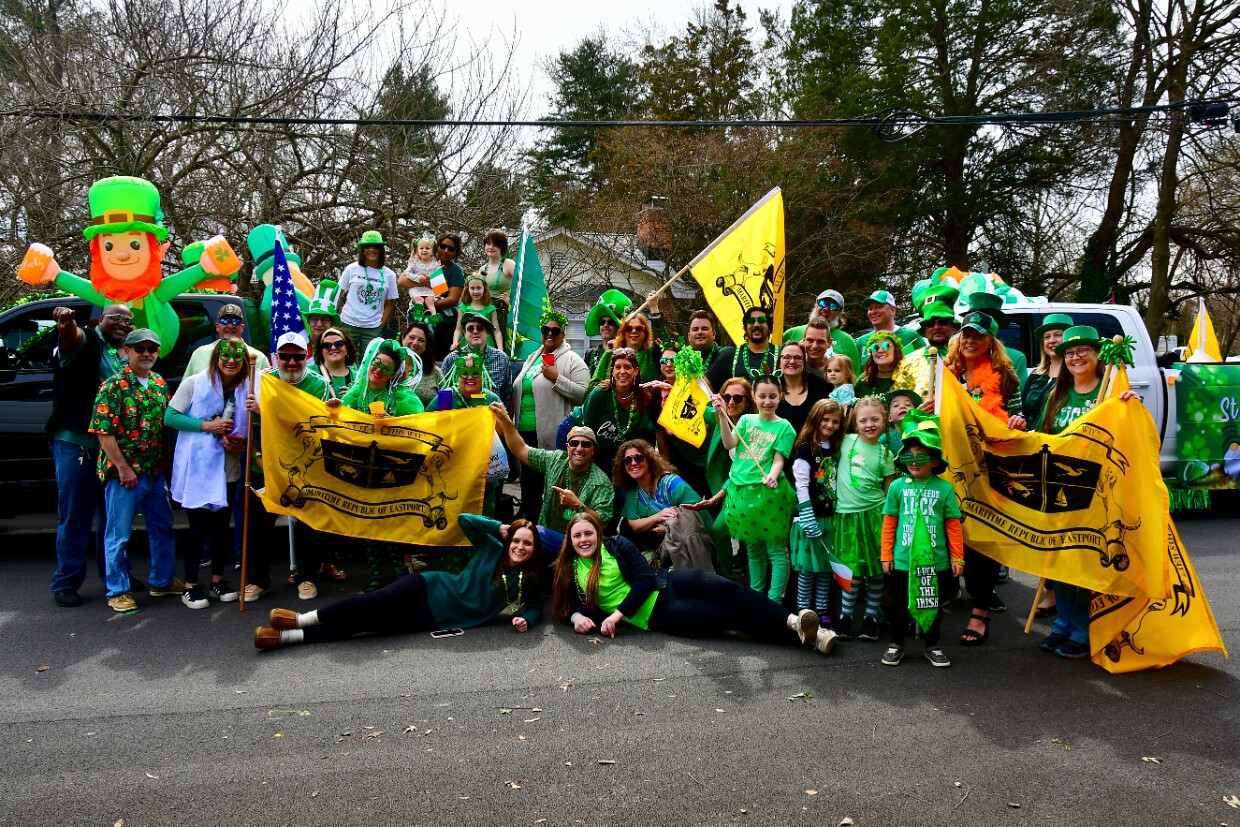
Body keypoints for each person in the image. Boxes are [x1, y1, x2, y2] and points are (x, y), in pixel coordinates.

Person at [552, 512, 837, 654]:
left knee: (730, 589)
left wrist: (615, 616)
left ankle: (794, 622)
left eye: (588, 533)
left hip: (670, 582)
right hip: (662, 614)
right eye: (577, 536)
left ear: (597, 534)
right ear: (570, 540)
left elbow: (644, 580)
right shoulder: (570, 569)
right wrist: (577, 617)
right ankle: (812, 640)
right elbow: (566, 606)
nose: (583, 540)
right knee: (732, 617)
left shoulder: (617, 546)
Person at [254, 516, 544, 649]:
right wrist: (499, 527)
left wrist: (526, 621)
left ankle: (284, 638)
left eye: (527, 544)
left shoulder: (527, 577)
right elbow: (464, 520)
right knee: (372, 602)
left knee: (365, 625)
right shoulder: (492, 548)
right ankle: (301, 619)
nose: (519, 547)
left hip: (434, 616)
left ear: (534, 549)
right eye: (516, 540)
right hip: (431, 584)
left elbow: (534, 607)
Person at [1031, 325, 1139, 659]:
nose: (1076, 357)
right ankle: (1062, 625)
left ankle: (1081, 630)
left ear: (1097, 356)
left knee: (1086, 565)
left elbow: (1130, 434)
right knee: (1061, 563)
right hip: (1062, 492)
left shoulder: (1110, 394)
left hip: (1096, 495)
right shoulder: (1057, 396)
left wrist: (1131, 404)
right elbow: (1042, 438)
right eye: (1070, 353)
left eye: (1083, 351)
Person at [943, 299, 1026, 644]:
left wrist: (1017, 423)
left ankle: (979, 611)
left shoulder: (1006, 380)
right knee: (948, 534)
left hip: (989, 470)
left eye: (978, 336)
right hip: (950, 467)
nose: (970, 341)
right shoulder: (945, 376)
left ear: (991, 341)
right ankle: (947, 592)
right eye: (965, 335)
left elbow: (1020, 422)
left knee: (983, 540)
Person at [89, 328, 182, 612]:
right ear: (127, 351)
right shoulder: (112, 386)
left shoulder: (158, 383)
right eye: (139, 348)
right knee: (118, 535)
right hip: (124, 475)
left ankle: (162, 581)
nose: (146, 354)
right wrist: (123, 467)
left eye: (151, 349)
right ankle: (117, 591)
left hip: (154, 473)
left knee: (163, 528)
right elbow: (103, 432)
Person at [48, 303, 132, 607]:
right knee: (75, 515)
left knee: (113, 517)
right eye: (117, 319)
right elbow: (71, 339)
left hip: (110, 450)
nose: (123, 324)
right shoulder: (86, 340)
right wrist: (66, 323)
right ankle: (66, 581)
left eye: (128, 321)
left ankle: (115, 575)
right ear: (100, 320)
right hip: (77, 444)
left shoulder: (123, 354)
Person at [243, 331, 331, 601]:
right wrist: (258, 455)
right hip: (265, 461)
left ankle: (307, 577)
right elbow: (252, 426)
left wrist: (268, 410)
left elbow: (308, 423)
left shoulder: (318, 385)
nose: (291, 363)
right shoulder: (261, 381)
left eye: (297, 356)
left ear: (307, 357)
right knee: (258, 524)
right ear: (275, 357)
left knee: (308, 522)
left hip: (305, 463)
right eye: (285, 356)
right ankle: (257, 580)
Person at [694, 375, 796, 602]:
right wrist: (721, 415)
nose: (767, 401)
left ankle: (774, 602)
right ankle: (756, 599)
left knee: (776, 551)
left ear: (780, 396)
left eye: (772, 396)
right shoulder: (746, 421)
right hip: (741, 493)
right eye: (762, 396)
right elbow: (729, 443)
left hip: (768, 493)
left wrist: (772, 475)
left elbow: (779, 459)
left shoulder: (785, 427)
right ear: (754, 397)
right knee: (753, 549)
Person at [165, 336, 248, 609]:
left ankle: (217, 580)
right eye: (225, 355)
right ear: (216, 356)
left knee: (222, 528)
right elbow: (171, 417)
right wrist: (206, 426)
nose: (231, 361)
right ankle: (190, 584)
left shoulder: (245, 389)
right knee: (198, 527)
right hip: (199, 466)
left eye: (238, 356)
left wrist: (238, 440)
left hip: (228, 466)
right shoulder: (194, 383)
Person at [880, 412, 964, 668]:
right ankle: (896, 643)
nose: (914, 462)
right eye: (908, 456)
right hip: (903, 560)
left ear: (935, 460)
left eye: (921, 456)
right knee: (898, 605)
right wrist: (887, 554)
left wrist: (957, 556)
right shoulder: (896, 487)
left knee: (932, 602)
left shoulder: (945, 489)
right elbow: (889, 522)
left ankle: (932, 645)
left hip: (935, 561)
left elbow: (952, 525)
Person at [492, 405, 614, 553]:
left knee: (533, 533)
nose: (579, 448)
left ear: (593, 450)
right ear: (567, 447)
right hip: (548, 536)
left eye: (586, 444)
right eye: (574, 443)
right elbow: (521, 449)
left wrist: (577, 505)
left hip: (580, 544)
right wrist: (506, 422)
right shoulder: (556, 460)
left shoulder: (601, 482)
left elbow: (601, 524)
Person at [510, 310, 591, 524]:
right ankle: (531, 534)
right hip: (525, 436)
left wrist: (557, 378)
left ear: (563, 334)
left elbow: (586, 394)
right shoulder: (532, 357)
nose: (550, 334)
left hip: (550, 439)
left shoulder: (572, 360)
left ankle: (551, 536)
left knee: (551, 491)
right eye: (546, 330)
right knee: (529, 490)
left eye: (556, 330)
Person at [833, 395, 896, 641]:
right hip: (846, 516)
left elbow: (888, 489)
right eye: (863, 420)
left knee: (876, 570)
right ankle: (846, 616)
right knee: (852, 569)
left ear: (885, 421)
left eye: (875, 419)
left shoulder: (885, 453)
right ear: (854, 422)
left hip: (873, 517)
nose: (869, 424)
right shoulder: (846, 442)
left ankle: (870, 617)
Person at [789, 399, 844, 626]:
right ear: (815, 419)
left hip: (829, 518)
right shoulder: (805, 449)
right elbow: (801, 484)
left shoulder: (838, 449)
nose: (830, 425)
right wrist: (807, 515)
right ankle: (804, 609)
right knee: (808, 569)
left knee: (824, 569)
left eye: (835, 421)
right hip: (809, 518)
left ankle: (822, 609)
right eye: (825, 419)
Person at [614, 439, 713, 558]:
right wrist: (657, 517)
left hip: (690, 541)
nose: (633, 463)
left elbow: (698, 516)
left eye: (638, 458)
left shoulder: (671, 484)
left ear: (649, 460)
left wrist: (669, 529)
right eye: (627, 460)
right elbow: (634, 525)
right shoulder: (634, 490)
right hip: (658, 543)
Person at [702, 377, 756, 578]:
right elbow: (701, 411)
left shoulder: (752, 426)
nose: (731, 402)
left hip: (751, 489)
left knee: (750, 540)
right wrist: (672, 389)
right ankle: (727, 577)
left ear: (748, 402)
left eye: (738, 398)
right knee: (719, 530)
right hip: (732, 486)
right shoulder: (720, 415)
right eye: (726, 397)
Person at [580, 347, 660, 477]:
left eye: (627, 367)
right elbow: (586, 431)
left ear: (636, 371)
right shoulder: (599, 394)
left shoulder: (643, 399)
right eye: (617, 367)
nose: (622, 372)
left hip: (616, 454)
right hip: (580, 438)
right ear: (612, 371)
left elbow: (646, 439)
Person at [337, 230, 398, 353]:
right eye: (367, 246)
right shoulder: (352, 268)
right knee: (344, 358)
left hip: (373, 327)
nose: (372, 250)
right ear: (363, 250)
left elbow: (390, 303)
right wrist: (335, 317)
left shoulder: (389, 274)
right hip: (348, 323)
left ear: (381, 250)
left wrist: (381, 325)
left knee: (369, 362)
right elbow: (339, 293)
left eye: (376, 247)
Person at [891, 301, 959, 409]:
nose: (937, 327)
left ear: (954, 326)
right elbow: (897, 407)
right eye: (930, 323)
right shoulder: (908, 362)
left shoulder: (967, 358)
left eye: (943, 321)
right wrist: (917, 413)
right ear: (924, 330)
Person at [440, 311, 513, 407]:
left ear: (487, 332)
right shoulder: (452, 359)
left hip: (492, 416)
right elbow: (444, 394)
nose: (475, 331)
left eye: (480, 328)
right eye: (470, 328)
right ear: (464, 333)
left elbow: (506, 394)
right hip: (459, 417)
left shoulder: (502, 358)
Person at [183, 303, 270, 376]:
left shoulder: (258, 358)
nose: (230, 326)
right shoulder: (200, 354)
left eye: (236, 321)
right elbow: (186, 392)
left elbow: (266, 393)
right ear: (217, 327)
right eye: (225, 321)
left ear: (242, 327)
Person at [705, 305, 778, 390]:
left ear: (769, 328)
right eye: (751, 321)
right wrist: (713, 401)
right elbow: (706, 383)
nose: (756, 324)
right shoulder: (730, 355)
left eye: (761, 320)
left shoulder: (782, 355)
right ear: (745, 328)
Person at [784, 289, 860, 368]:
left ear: (839, 313)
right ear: (816, 305)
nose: (826, 309)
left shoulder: (847, 340)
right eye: (823, 303)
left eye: (833, 307)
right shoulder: (791, 333)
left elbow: (854, 376)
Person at [1022, 313, 1074, 424]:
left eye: (1058, 335)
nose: (1051, 340)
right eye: (1047, 337)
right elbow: (1022, 410)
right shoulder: (1035, 375)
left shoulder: (1077, 376)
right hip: (1029, 438)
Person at [589, 309, 660, 385]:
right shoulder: (610, 354)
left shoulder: (652, 354)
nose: (633, 331)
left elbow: (662, 338)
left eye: (639, 328)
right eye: (628, 328)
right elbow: (593, 385)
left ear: (645, 332)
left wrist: (654, 309)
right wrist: (610, 386)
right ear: (623, 332)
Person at [775, 340, 830, 437]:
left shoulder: (821, 386)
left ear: (804, 362)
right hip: (779, 449)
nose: (792, 361)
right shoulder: (771, 388)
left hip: (813, 448)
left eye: (798, 358)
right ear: (779, 362)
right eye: (786, 357)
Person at [853, 290, 926, 354]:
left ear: (892, 310)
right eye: (870, 308)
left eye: (879, 307)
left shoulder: (911, 336)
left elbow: (927, 364)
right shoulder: (861, 342)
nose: (873, 312)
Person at [452, 274, 503, 352]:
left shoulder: (490, 309)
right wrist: (455, 342)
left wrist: (500, 348)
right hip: (468, 344)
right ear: (468, 289)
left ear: (484, 289)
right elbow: (458, 329)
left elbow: (497, 331)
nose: (475, 291)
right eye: (472, 288)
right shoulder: (463, 308)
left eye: (479, 288)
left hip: (486, 344)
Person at [583, 290, 627, 376]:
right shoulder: (591, 354)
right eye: (602, 322)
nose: (605, 325)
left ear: (618, 327)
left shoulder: (626, 353)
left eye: (610, 322)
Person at [401, 231, 440, 323]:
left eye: (427, 248)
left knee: (430, 300)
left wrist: (430, 278)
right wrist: (418, 278)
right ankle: (418, 313)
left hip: (429, 290)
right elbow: (407, 274)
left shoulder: (435, 264)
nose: (424, 250)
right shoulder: (414, 263)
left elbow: (438, 281)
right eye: (421, 248)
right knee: (419, 299)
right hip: (417, 289)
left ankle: (433, 316)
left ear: (432, 251)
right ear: (417, 251)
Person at [402, 320, 443, 409]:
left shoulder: (435, 372)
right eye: (411, 337)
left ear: (426, 345)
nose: (415, 343)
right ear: (403, 338)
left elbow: (445, 404)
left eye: (421, 340)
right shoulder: (391, 368)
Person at [853, 331, 903, 402]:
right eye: (875, 347)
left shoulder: (907, 377)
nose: (880, 350)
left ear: (896, 349)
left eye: (886, 346)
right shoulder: (863, 381)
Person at [477, 229, 516, 317]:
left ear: (502, 246)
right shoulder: (483, 269)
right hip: (486, 313)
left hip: (504, 314)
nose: (491, 247)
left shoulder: (508, 264)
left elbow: (524, 286)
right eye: (488, 244)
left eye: (495, 244)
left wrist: (509, 301)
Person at [313, 327, 358, 399]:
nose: (333, 348)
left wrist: (353, 398)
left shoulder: (358, 379)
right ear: (321, 351)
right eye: (327, 345)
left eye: (339, 344)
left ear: (347, 349)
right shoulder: (309, 372)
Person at [685, 310, 725, 374]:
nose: (700, 332)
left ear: (713, 334)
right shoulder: (682, 360)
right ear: (689, 336)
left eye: (704, 329)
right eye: (695, 329)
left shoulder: (725, 355)